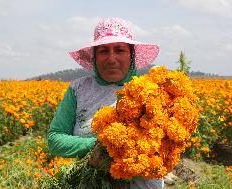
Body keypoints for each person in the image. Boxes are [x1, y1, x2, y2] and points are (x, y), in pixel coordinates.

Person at [47, 17, 163, 189]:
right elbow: (54, 139)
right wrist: (99, 145)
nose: (111, 58)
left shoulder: (151, 91)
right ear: (94, 56)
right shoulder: (78, 89)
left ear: (131, 55)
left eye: (119, 50)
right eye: (103, 51)